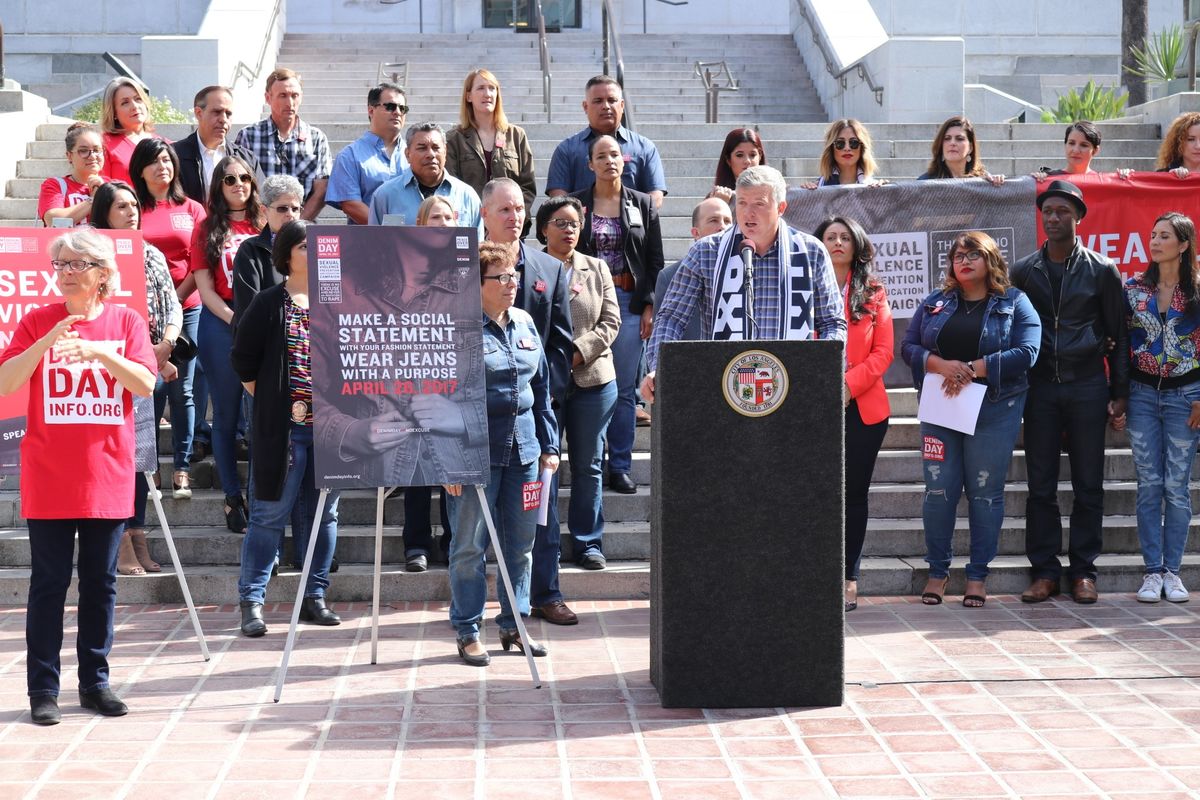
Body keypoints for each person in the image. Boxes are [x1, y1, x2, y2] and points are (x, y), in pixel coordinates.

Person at [0, 228, 157, 725]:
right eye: (61, 264)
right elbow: (5, 382)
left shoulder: (126, 321)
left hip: (106, 473)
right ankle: (43, 689)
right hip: (49, 473)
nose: (66, 272)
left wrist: (101, 354)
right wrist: (47, 339)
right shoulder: (36, 321)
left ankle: (95, 683)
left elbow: (146, 384)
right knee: (48, 583)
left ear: (102, 273)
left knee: (100, 582)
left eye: (77, 264)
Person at [901, 232, 1040, 607]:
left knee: (984, 493)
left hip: (994, 410)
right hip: (941, 410)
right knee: (938, 490)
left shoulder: (1015, 302)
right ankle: (937, 571)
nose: (964, 261)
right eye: (958, 255)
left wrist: (974, 369)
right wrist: (941, 365)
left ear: (991, 259)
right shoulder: (935, 302)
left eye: (974, 254)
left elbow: (1028, 351)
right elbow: (909, 346)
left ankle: (978, 575)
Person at [443, 241, 560, 667]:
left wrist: (549, 445)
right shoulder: (459, 329)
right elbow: (443, 400)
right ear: (476, 285)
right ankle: (468, 629)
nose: (512, 284)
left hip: (525, 453)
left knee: (522, 544)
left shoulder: (526, 323)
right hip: (474, 454)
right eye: (501, 278)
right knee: (470, 545)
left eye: (514, 276)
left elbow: (542, 390)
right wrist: (447, 459)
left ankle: (514, 623)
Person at [1013, 180, 1128, 605]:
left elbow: (1118, 334)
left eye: (1063, 211)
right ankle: (1044, 572)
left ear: (1078, 216)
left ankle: (1083, 572)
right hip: (1040, 387)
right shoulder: (1024, 270)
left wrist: (1120, 393)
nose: (1054, 218)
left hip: (1086, 387)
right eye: (1048, 211)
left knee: (1088, 484)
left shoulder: (1102, 270)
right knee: (1040, 485)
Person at [643, 165, 847, 399]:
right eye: (741, 203)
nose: (748, 213)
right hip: (724, 389)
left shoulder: (811, 252)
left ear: (781, 207)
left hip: (795, 388)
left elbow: (833, 323)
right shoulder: (707, 252)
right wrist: (660, 367)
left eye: (759, 204)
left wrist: (825, 368)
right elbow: (671, 317)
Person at [231, 220, 341, 636]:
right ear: (287, 254)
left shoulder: (338, 301)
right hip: (285, 431)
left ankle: (315, 596)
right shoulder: (267, 302)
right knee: (268, 514)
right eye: (304, 245)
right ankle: (252, 601)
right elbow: (242, 359)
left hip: (331, 430)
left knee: (323, 517)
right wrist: (274, 402)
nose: (314, 251)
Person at [480, 178, 575, 624]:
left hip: (534, 417)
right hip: (480, 425)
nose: (514, 216)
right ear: (484, 214)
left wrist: (541, 399)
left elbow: (560, 342)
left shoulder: (549, 268)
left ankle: (545, 593)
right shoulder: (461, 268)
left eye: (519, 209)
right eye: (504, 209)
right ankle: (475, 609)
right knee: (476, 527)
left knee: (539, 518)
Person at [89, 181, 183, 575]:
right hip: (105, 373)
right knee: (113, 456)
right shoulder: (89, 256)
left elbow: (172, 304)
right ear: (103, 215)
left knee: (142, 454)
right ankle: (120, 539)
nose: (131, 212)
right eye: (121, 207)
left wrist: (165, 345)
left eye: (133, 206)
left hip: (149, 368)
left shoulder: (152, 253)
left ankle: (139, 533)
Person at [572, 134, 664, 495]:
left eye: (615, 154)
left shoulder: (642, 203)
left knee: (624, 388)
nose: (609, 160)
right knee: (586, 385)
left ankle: (620, 465)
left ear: (624, 161)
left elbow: (655, 259)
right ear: (589, 164)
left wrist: (649, 305)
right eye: (601, 155)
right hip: (585, 303)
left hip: (628, 301)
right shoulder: (577, 203)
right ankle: (587, 460)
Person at [536, 196, 620, 571]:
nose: (568, 230)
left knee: (588, 465)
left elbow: (611, 322)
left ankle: (588, 543)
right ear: (543, 229)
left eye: (573, 223)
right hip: (544, 383)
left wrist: (576, 353)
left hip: (593, 379)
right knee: (546, 467)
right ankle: (546, 544)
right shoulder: (530, 267)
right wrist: (552, 360)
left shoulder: (597, 268)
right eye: (560, 223)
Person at [814, 216, 893, 612]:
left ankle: (849, 577)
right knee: (815, 494)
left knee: (853, 495)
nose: (838, 243)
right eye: (831, 237)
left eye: (846, 237)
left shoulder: (874, 292)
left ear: (857, 245)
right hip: (812, 406)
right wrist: (825, 385)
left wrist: (848, 384)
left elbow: (884, 352)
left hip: (863, 409)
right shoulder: (802, 287)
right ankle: (814, 574)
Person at [1125, 212, 1200, 603]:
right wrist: (1118, 394)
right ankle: (1152, 572)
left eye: (1164, 236)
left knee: (1177, 487)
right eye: (1152, 235)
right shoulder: (1134, 289)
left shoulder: (1199, 290)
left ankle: (1174, 572)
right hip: (1140, 396)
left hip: (1186, 397)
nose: (1155, 242)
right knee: (1149, 486)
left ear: (1183, 245)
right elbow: (1120, 344)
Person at [128, 138, 207, 500]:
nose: (163, 167)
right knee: (152, 387)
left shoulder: (191, 208)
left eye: (168, 160)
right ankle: (151, 466)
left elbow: (200, 258)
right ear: (140, 169)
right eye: (154, 161)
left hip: (186, 306)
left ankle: (183, 466)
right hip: (140, 315)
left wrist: (174, 300)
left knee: (184, 389)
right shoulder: (132, 207)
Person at [191, 156, 263, 533]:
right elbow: (205, 291)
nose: (238, 184)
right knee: (227, 414)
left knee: (261, 416)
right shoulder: (206, 228)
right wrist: (241, 322)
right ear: (218, 185)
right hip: (223, 323)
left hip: (263, 322)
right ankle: (233, 497)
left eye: (245, 178)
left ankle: (261, 494)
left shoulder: (264, 222)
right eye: (230, 179)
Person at [396, 195, 467, 573]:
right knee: (418, 462)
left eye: (447, 217)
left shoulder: (468, 265)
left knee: (452, 462)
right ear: (420, 225)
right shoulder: (405, 266)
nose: (441, 222)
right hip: (414, 373)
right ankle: (416, 544)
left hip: (457, 376)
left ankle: (454, 538)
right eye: (433, 217)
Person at [546, 75, 667, 208]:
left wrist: (628, 218)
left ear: (622, 105)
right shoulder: (567, 150)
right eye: (598, 101)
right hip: (583, 225)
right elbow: (558, 198)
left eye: (612, 100)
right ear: (585, 107)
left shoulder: (644, 148)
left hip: (631, 225)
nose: (606, 106)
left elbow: (655, 196)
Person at [233, 68, 332, 221]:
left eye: (295, 95)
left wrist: (296, 226)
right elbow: (240, 186)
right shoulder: (248, 136)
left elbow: (322, 191)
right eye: (283, 96)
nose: (290, 103)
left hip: (301, 230)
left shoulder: (316, 138)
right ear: (268, 98)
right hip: (257, 227)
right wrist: (265, 225)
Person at [445, 69, 536, 224]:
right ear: (468, 96)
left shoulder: (516, 135)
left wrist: (515, 217)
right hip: (470, 226)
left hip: (509, 228)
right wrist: (478, 220)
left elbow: (527, 187)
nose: (487, 94)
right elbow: (451, 188)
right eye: (480, 88)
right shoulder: (454, 138)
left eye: (492, 88)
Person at [368, 122, 482, 229]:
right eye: (422, 148)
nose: (431, 154)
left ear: (445, 152)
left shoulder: (467, 196)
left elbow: (477, 246)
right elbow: (376, 245)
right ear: (407, 154)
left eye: (436, 148)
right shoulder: (385, 196)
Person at [326, 82, 410, 225]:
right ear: (371, 110)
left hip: (413, 242)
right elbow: (351, 205)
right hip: (367, 243)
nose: (397, 112)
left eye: (402, 108)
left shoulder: (416, 153)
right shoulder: (349, 156)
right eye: (390, 106)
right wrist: (392, 230)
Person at [654, 197, 733, 341]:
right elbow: (664, 327)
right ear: (696, 233)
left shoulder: (743, 269)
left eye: (727, 221)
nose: (722, 227)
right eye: (713, 220)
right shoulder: (669, 276)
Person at [232, 175, 304, 326]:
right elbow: (249, 310)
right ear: (264, 210)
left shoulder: (315, 248)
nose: (290, 214)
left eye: (295, 209)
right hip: (267, 341)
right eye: (282, 208)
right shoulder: (250, 251)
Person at [172, 85, 260, 205]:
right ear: (198, 113)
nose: (223, 119)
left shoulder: (246, 159)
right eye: (217, 112)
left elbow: (261, 201)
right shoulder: (174, 156)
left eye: (228, 114)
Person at [38, 123, 107, 227]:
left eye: (97, 150)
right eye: (83, 151)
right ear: (69, 156)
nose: (92, 156)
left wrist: (105, 191)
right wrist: (93, 200)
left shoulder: (112, 186)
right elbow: (54, 222)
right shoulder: (54, 185)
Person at [98, 77, 161, 186]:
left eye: (138, 99)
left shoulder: (164, 144)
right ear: (113, 113)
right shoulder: (102, 144)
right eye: (125, 103)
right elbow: (102, 191)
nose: (135, 106)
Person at [918, 115, 1005, 185]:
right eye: (947, 138)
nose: (952, 143)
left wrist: (998, 183)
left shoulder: (984, 181)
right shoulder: (924, 183)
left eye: (959, 139)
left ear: (970, 148)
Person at [1032, 121, 1129, 181]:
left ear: (1095, 150)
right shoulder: (1048, 178)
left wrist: (1126, 180)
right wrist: (1036, 181)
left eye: (1084, 145)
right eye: (1071, 143)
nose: (1076, 150)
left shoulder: (1102, 182)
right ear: (1065, 145)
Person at [802, 119, 881, 188]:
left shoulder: (874, 186)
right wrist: (806, 194)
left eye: (854, 143)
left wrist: (885, 192)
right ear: (831, 148)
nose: (847, 148)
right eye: (840, 143)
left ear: (862, 147)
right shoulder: (818, 187)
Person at [708, 127, 766, 203]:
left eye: (752, 155)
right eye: (739, 155)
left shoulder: (773, 193)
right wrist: (721, 205)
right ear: (728, 160)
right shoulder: (716, 197)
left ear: (760, 156)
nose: (747, 161)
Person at [1156, 112, 1200, 178]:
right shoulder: (1162, 176)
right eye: (1191, 139)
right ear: (1178, 143)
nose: (1198, 146)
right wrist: (1170, 179)